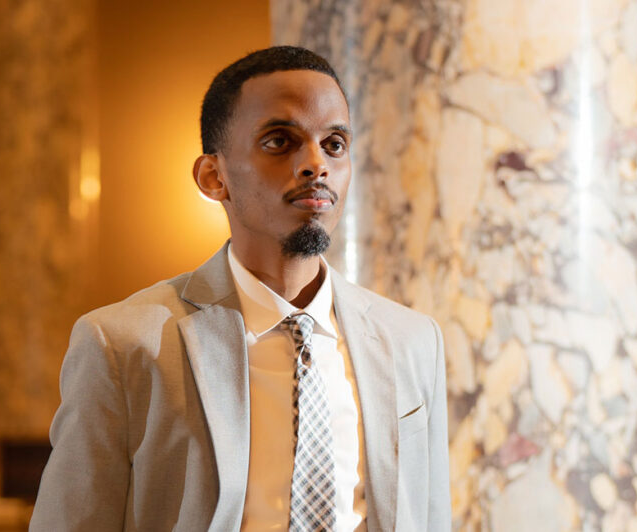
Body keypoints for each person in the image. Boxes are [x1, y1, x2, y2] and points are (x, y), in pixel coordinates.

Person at [30, 45, 451, 532]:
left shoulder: (412, 341)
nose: (316, 164)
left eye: (334, 144)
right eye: (280, 141)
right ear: (214, 177)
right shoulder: (122, 345)